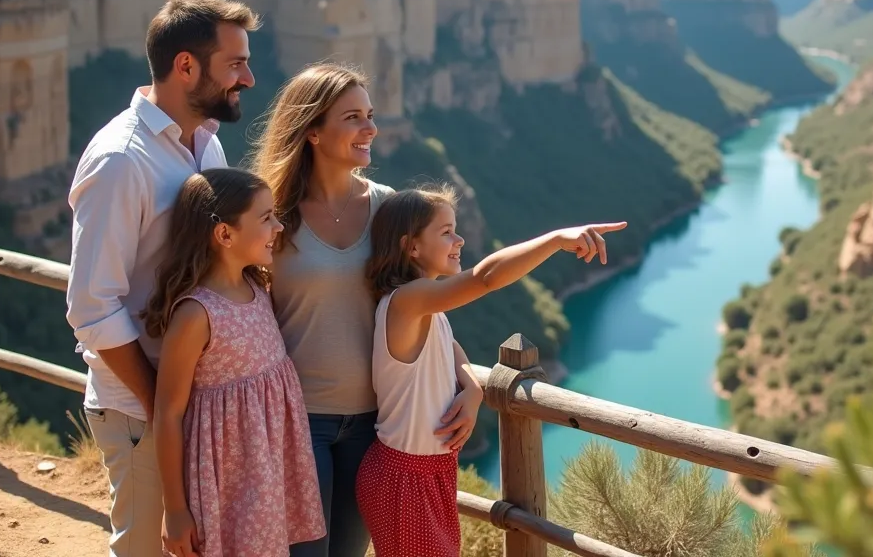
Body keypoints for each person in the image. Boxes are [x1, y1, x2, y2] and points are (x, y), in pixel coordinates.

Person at [248, 61, 484, 557]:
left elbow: (422, 310)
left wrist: (470, 381)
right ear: (312, 130)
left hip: (376, 426)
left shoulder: (387, 209)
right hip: (297, 419)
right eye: (353, 117)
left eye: (370, 115)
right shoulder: (274, 216)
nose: (371, 128)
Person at [64, 0, 260, 556]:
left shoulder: (207, 146)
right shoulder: (121, 161)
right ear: (186, 66)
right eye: (235, 64)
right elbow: (92, 308)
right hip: (140, 409)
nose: (248, 78)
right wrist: (162, 410)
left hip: (194, 407)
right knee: (146, 549)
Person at [357, 183, 626, 556]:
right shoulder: (407, 301)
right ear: (412, 246)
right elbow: (486, 278)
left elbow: (449, 346)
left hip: (420, 473)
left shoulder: (421, 307)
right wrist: (554, 240)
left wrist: (473, 387)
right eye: (446, 232)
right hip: (407, 480)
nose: (460, 240)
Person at [140, 167, 326, 557]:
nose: (278, 226)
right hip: (228, 480)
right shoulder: (196, 314)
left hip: (267, 470)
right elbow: (168, 413)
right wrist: (175, 508)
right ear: (225, 234)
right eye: (266, 218)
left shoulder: (257, 286)